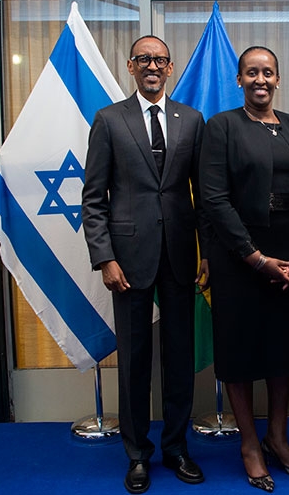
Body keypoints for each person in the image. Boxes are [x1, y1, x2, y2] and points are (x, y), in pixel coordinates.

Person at [81, 35, 208, 494]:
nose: (152, 66)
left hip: (180, 255)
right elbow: (93, 199)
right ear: (131, 67)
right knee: (134, 362)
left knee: (179, 359)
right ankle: (137, 455)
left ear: (170, 68)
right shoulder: (109, 120)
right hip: (127, 261)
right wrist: (104, 258)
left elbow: (205, 195)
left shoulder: (192, 120)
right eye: (143, 60)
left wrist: (207, 251)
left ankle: (176, 448)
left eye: (160, 60)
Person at [199, 46, 289, 493]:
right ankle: (250, 444)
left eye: (268, 72)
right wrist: (254, 258)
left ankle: (278, 437)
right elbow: (213, 199)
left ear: (278, 78)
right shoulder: (222, 127)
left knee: (283, 350)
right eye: (251, 72)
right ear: (239, 80)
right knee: (241, 352)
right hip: (240, 258)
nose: (260, 80)